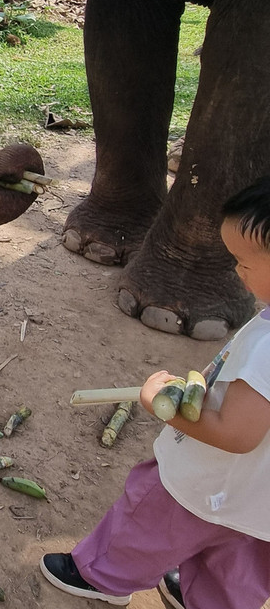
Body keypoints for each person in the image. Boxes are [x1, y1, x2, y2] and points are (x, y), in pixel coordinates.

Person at [40, 175, 270, 608]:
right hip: (262, 505)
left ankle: (102, 575)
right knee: (241, 565)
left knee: (147, 522)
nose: (237, 271)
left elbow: (237, 434)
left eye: (244, 262)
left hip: (209, 483)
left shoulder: (267, 351)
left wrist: (163, 408)